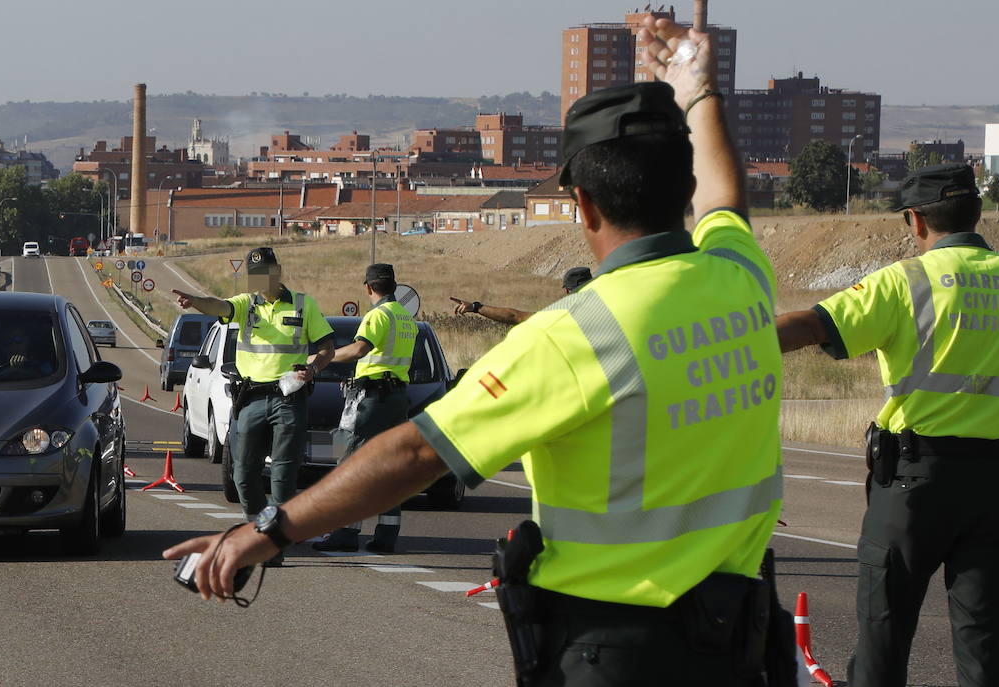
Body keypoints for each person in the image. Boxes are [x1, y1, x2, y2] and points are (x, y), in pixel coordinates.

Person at [167, 15, 795, 686]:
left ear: (582, 204)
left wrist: (266, 527)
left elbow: (414, 452)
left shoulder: (577, 333)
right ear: (686, 189)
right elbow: (729, 196)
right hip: (744, 644)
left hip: (619, 651)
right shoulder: (741, 278)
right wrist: (698, 89)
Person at [776, 163, 999, 687]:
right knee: (982, 643)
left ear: (915, 221)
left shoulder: (904, 282)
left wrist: (729, 341)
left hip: (914, 485)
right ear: (977, 214)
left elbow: (814, 326)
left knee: (883, 638)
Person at [172, 247, 335, 566]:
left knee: (284, 475)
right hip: (251, 398)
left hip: (288, 399)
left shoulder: (304, 305)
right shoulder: (246, 305)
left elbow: (327, 348)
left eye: (265, 272)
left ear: (278, 271)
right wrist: (195, 301)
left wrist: (313, 369)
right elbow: (219, 306)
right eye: (254, 273)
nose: (259, 279)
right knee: (243, 474)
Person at [312, 263, 418, 554]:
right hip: (397, 395)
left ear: (368, 287)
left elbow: (360, 349)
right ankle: (386, 534)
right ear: (394, 287)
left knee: (350, 460)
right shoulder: (404, 317)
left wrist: (320, 358)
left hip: (373, 396)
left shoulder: (377, 315)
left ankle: (346, 532)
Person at [449, 267, 592, 325]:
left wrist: (476, 307)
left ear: (567, 291)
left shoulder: (562, 315)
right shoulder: (609, 305)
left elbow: (515, 316)